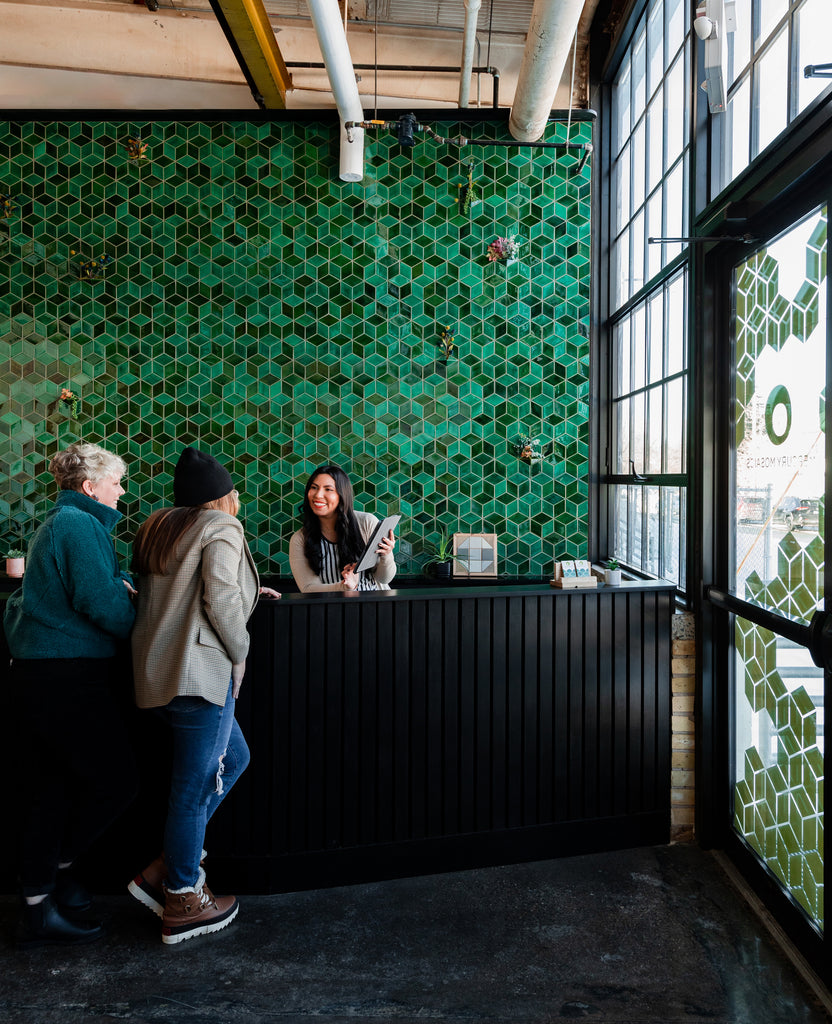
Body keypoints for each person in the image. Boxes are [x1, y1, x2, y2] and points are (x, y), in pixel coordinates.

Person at [129, 447, 279, 945]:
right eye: (233, 493)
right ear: (222, 497)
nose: (237, 500)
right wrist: (240, 652)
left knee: (234, 757)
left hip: (158, 672)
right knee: (192, 791)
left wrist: (251, 593)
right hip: (201, 675)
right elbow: (217, 597)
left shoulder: (159, 526)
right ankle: (182, 898)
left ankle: (167, 868)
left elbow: (184, 591)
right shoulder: (222, 528)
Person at [5, 441, 137, 948]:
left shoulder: (67, 524)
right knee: (117, 778)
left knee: (55, 787)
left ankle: (41, 898)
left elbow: (99, 582)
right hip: (64, 674)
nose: (121, 491)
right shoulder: (79, 526)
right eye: (116, 482)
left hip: (48, 673)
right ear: (90, 488)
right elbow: (97, 598)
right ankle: (52, 880)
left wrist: (119, 583)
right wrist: (141, 627)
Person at [289, 464, 396, 592]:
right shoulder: (300, 540)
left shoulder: (367, 522)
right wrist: (346, 586)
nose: (318, 495)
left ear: (342, 495)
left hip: (377, 603)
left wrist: (386, 556)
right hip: (333, 608)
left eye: (328, 489)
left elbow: (384, 579)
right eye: (314, 488)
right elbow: (308, 588)